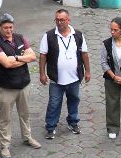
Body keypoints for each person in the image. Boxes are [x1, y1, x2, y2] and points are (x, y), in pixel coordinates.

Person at [0, 13, 41, 158]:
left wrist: (17, 58)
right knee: (5, 118)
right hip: (6, 88)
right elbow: (6, 63)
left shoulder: (19, 37)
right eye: (5, 27)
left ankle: (27, 137)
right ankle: (5, 146)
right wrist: (22, 60)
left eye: (10, 27)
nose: (9, 30)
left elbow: (32, 56)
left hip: (23, 84)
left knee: (25, 114)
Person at [39, 8, 91, 139]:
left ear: (68, 20)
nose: (59, 22)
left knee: (74, 100)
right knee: (54, 103)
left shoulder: (78, 35)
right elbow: (43, 55)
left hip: (74, 78)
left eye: (62, 20)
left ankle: (73, 123)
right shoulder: (49, 36)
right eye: (57, 20)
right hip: (56, 79)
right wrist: (42, 73)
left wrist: (88, 71)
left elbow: (84, 54)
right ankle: (51, 127)